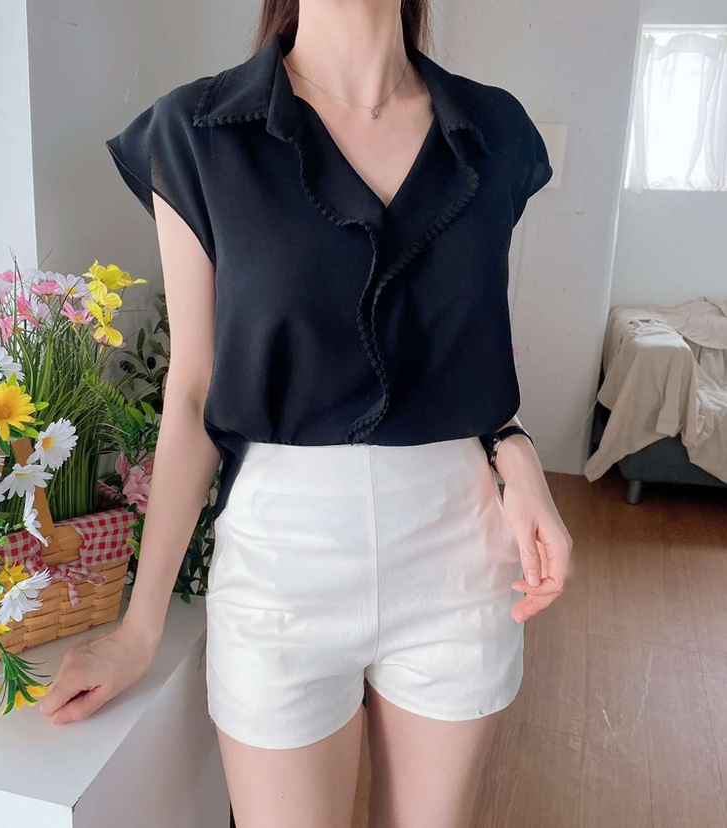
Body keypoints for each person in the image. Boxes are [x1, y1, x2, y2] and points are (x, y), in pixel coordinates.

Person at [40, 1, 574, 825]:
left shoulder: (494, 132)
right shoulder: (198, 134)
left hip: (460, 555)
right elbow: (194, 391)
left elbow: (467, 350)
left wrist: (515, 446)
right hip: (282, 561)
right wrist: (139, 629)